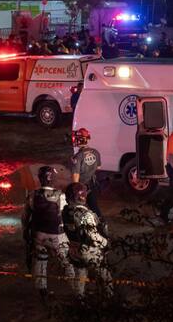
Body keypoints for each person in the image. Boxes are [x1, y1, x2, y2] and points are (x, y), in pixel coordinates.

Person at [22, 166, 75, 302]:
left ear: (40, 178)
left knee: (41, 261)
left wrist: (26, 233)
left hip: (38, 234)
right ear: (53, 179)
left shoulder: (32, 195)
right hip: (56, 235)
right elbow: (67, 217)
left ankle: (42, 291)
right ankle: (77, 290)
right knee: (66, 262)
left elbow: (25, 217)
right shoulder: (61, 196)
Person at [63, 183, 112, 298]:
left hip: (74, 249)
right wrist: (106, 243)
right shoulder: (85, 214)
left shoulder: (66, 211)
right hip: (88, 250)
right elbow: (93, 236)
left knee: (80, 274)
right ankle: (109, 296)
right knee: (104, 273)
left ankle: (79, 298)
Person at [70, 127, 103, 218]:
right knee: (94, 207)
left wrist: (74, 191)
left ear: (79, 140)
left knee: (78, 209)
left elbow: (75, 175)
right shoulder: (96, 152)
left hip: (82, 187)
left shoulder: (77, 157)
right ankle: (101, 224)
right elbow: (98, 167)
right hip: (92, 184)